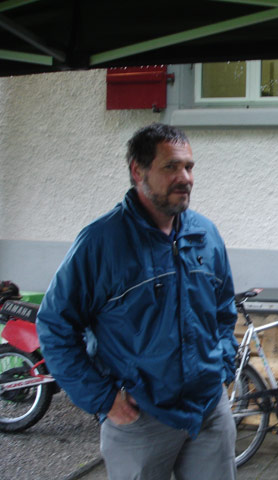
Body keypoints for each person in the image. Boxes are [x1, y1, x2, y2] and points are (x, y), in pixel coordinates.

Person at [36, 123, 238, 480]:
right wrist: (102, 398)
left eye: (189, 167)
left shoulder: (205, 235)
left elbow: (223, 311)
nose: (185, 178)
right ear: (138, 171)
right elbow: (55, 325)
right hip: (141, 418)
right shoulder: (101, 243)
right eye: (171, 166)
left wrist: (222, 367)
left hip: (209, 412)